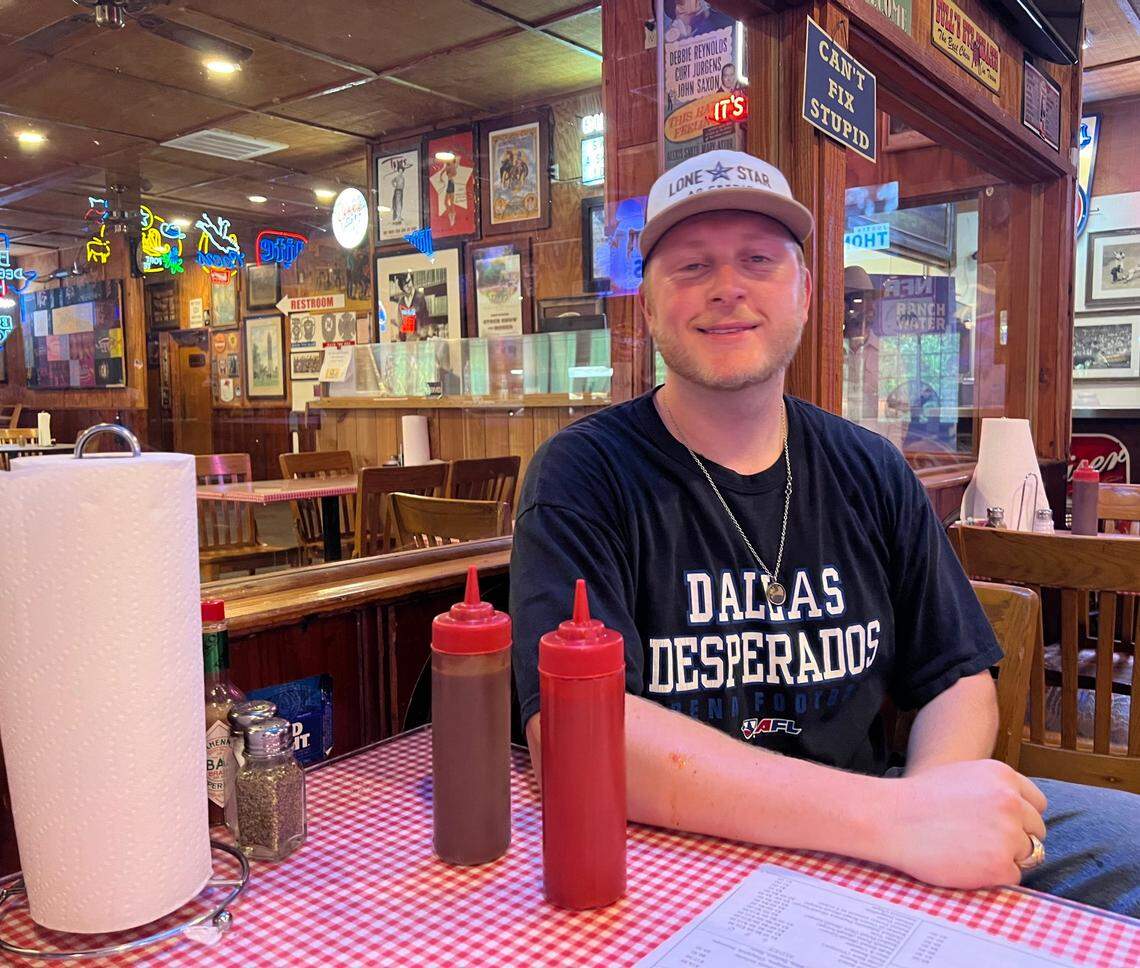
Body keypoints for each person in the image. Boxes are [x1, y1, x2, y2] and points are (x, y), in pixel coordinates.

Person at [510, 148, 1140, 916]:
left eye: (758, 260)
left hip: (880, 826)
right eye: (692, 266)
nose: (727, 287)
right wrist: (897, 822)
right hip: (675, 849)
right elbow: (579, 739)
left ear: (807, 293)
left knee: (1126, 840)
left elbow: (957, 677)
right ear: (646, 306)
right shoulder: (582, 474)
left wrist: (932, 810)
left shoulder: (870, 467)